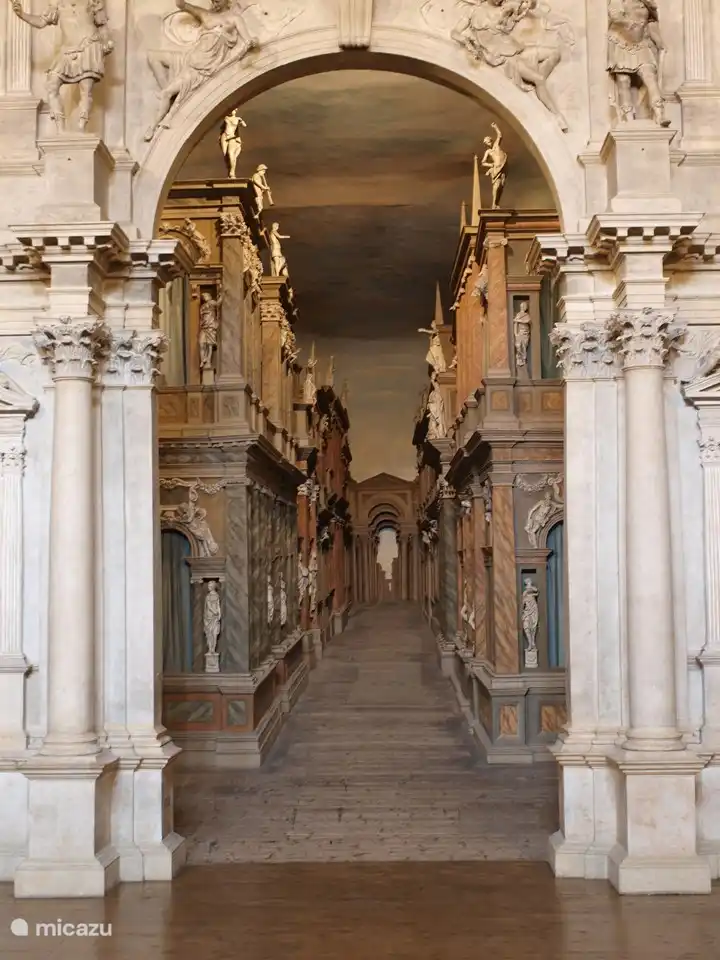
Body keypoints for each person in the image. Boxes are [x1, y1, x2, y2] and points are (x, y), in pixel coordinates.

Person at [9, 0, 114, 131]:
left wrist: (107, 42)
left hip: (88, 46)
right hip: (67, 50)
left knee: (85, 90)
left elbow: (102, 26)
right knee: (52, 85)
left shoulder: (93, 1)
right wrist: (22, 14)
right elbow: (41, 22)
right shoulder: (57, 3)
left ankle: (81, 127)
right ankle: (61, 130)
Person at [220, 109, 246, 178]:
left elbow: (244, 125)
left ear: (235, 110)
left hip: (232, 137)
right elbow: (222, 128)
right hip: (224, 137)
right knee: (225, 156)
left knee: (230, 154)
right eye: (230, 110)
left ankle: (232, 171)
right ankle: (229, 172)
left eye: (233, 110)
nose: (231, 111)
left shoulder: (238, 119)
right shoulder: (226, 118)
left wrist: (241, 121)